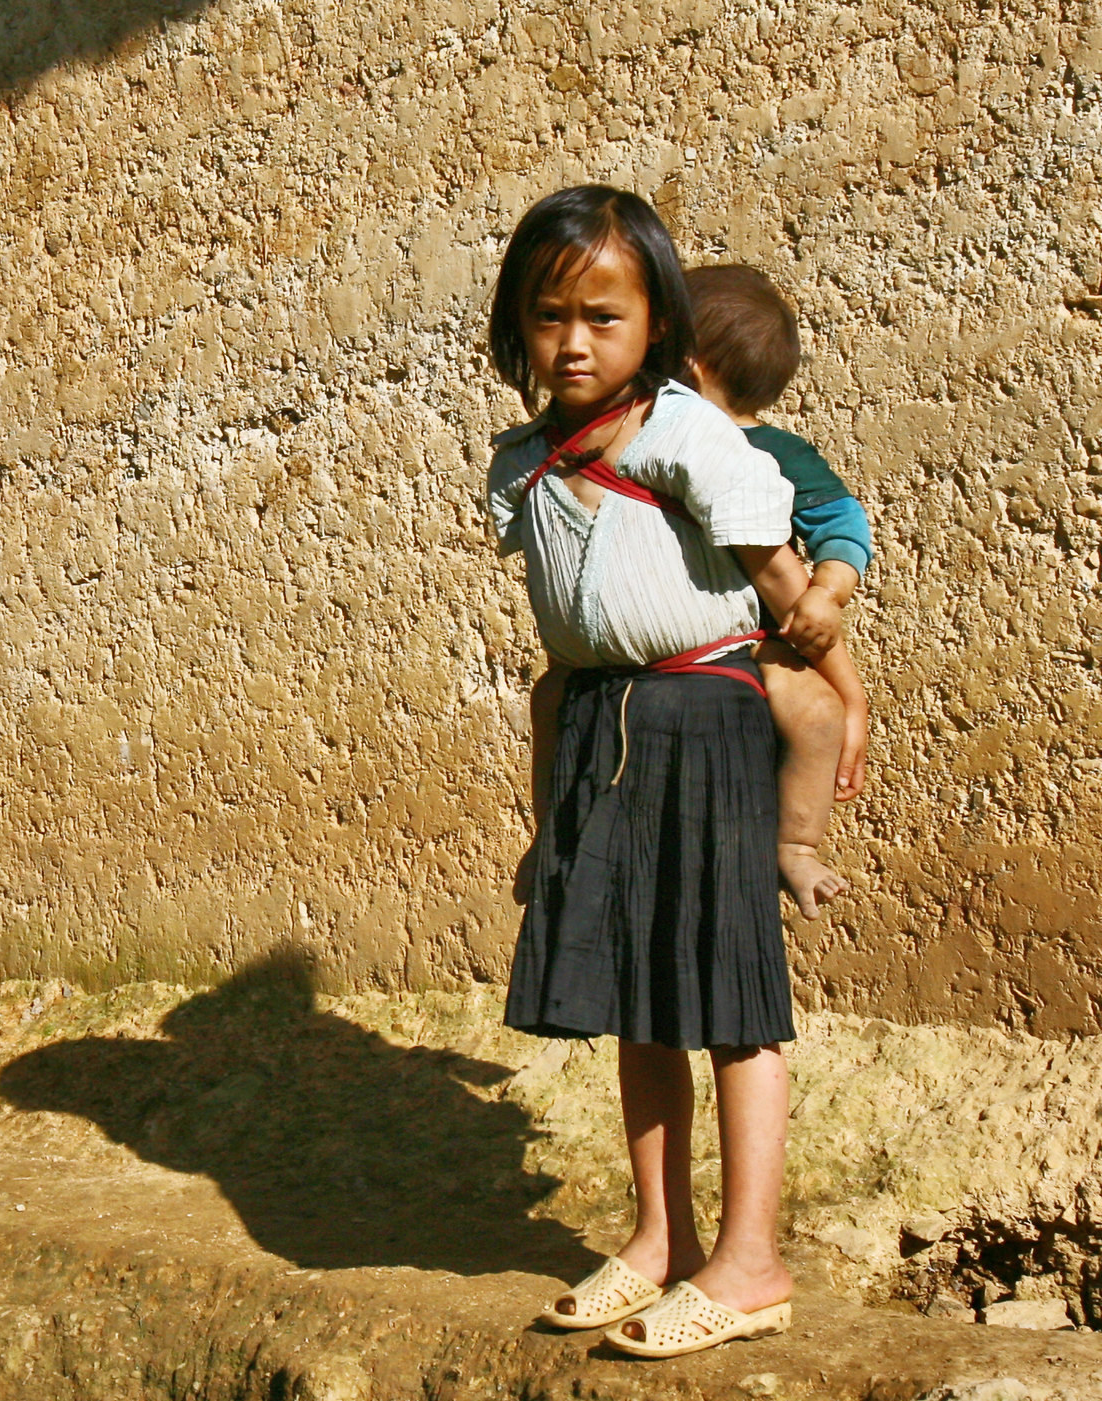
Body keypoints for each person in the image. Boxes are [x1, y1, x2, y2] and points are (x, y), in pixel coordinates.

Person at [484, 185, 808, 1358]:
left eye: (601, 318)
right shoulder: (523, 462)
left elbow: (783, 587)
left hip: (700, 718)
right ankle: (656, 1239)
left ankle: (751, 1258)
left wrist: (832, 683)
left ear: (655, 327)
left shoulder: (683, 434)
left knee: (726, 998)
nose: (572, 342)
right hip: (597, 725)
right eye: (546, 315)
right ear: (514, 325)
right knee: (638, 998)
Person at [687, 263, 871, 916]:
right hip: (680, 644)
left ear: (688, 360)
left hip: (760, 639)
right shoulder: (652, 442)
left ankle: (796, 843)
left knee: (818, 715)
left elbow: (844, 525)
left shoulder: (781, 455)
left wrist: (827, 589)